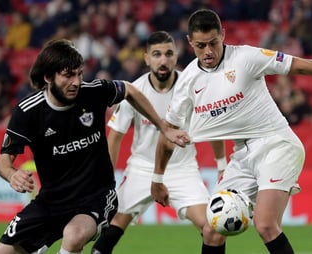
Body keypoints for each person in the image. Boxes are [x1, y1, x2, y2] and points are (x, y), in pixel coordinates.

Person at [151, 9, 312, 254]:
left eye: (213, 43)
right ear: (189, 43)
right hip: (242, 155)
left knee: (265, 224)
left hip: (276, 144)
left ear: (223, 35)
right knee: (211, 230)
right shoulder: (188, 81)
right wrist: (157, 179)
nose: (208, 52)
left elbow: (300, 66)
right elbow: (169, 133)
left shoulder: (246, 57)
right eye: (201, 45)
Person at [0, 38, 189, 254]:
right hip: (50, 202)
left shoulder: (93, 92)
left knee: (73, 236)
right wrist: (12, 175)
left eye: (79, 74)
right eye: (68, 75)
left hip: (95, 197)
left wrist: (163, 126)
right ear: (48, 77)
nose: (76, 82)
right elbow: (3, 161)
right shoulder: (28, 111)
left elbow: (130, 90)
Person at [92, 31, 226, 254]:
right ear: (147, 58)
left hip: (182, 169)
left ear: (176, 56)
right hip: (141, 169)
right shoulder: (134, 91)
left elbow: (214, 125)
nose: (163, 60)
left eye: (168, 54)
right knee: (109, 225)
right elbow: (114, 136)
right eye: (157, 54)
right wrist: (106, 182)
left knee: (213, 229)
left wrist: (222, 165)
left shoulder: (192, 86)